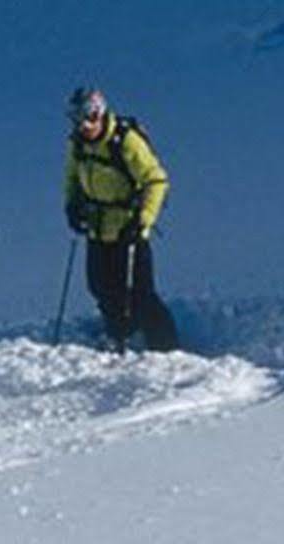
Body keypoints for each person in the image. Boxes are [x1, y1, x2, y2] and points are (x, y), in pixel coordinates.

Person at [62, 86, 180, 353]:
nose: (84, 124)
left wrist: (143, 220)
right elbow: (71, 178)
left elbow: (156, 180)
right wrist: (72, 206)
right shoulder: (77, 144)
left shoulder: (125, 141)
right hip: (97, 227)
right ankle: (119, 334)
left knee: (140, 294)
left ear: (100, 113)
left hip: (129, 229)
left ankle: (167, 347)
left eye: (89, 117)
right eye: (77, 118)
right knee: (100, 287)